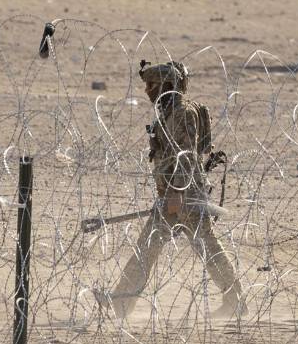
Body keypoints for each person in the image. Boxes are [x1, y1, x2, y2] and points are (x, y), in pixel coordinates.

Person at [94, 60, 245, 320]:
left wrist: (176, 193)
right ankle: (121, 303)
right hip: (173, 195)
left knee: (205, 248)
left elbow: (186, 155)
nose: (147, 91)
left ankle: (236, 301)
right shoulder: (169, 112)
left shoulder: (183, 112)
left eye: (152, 85)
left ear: (169, 85)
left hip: (185, 196)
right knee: (150, 247)